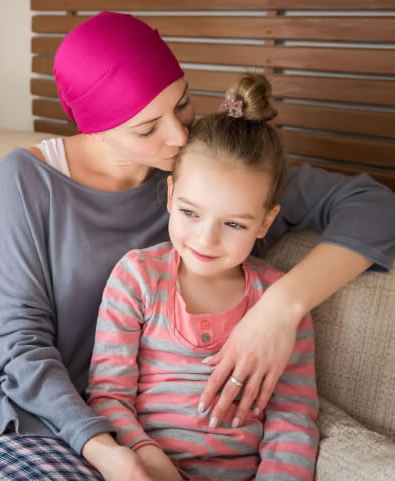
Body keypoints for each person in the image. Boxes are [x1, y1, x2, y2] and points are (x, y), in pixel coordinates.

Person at [0, 11, 394, 481]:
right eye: (147, 128)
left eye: (182, 104)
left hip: (92, 424)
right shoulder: (28, 179)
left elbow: (375, 206)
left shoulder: (205, 176)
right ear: (95, 129)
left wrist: (282, 307)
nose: (177, 136)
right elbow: (20, 345)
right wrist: (109, 450)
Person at [86, 73, 318, 481]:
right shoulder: (137, 277)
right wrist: (144, 454)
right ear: (171, 195)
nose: (205, 240)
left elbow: (293, 419)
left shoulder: (279, 302)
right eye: (191, 213)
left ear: (265, 222)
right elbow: (108, 396)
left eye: (233, 223)